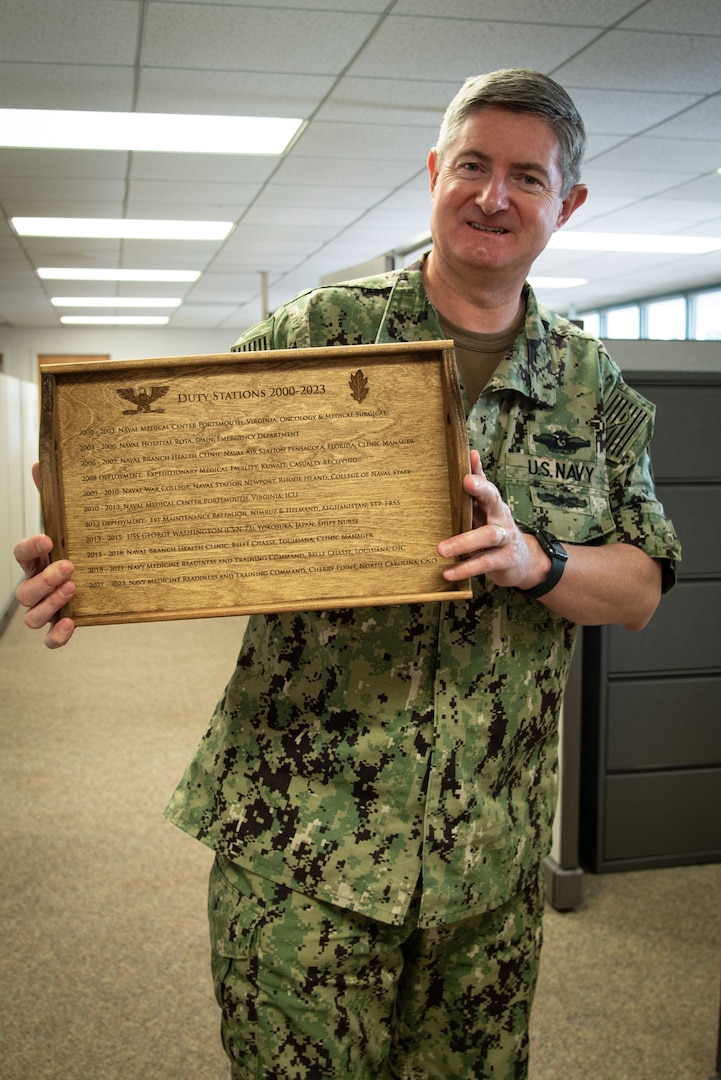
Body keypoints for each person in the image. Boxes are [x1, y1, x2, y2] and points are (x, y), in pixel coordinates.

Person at [14, 69, 680, 1079]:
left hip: (486, 868)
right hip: (300, 850)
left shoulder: (590, 384)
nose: (492, 196)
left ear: (567, 201)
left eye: (527, 177)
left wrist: (530, 560)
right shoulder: (315, 337)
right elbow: (192, 490)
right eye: (471, 165)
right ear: (432, 173)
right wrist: (90, 550)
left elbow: (639, 586)